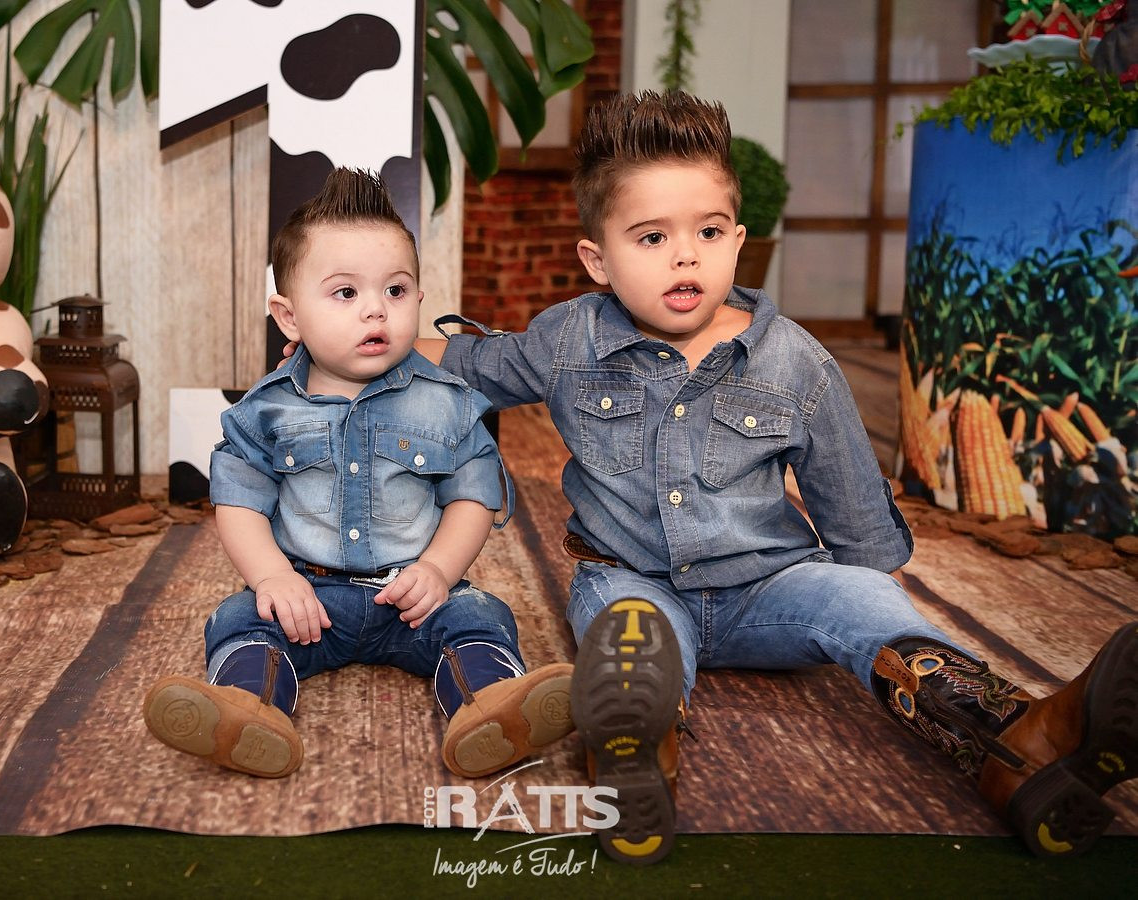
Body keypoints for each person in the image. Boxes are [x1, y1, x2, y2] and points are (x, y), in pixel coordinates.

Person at [412, 90, 1135, 865]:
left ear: (737, 241)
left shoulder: (792, 358)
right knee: (628, 638)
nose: (685, 256)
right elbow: (467, 364)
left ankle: (1017, 736)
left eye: (707, 232)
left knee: (865, 604)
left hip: (769, 589)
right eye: (651, 237)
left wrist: (869, 607)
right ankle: (634, 753)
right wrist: (354, 341)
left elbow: (852, 507)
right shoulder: (569, 340)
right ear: (598, 259)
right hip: (632, 579)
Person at [143, 168, 574, 783]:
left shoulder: (447, 403)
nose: (376, 308)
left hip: (412, 597)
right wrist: (271, 577)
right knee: (239, 620)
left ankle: (491, 708)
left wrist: (438, 570)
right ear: (289, 317)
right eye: (345, 293)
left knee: (481, 616)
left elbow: (473, 497)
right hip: (307, 597)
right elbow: (239, 500)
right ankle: (247, 710)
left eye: (396, 290)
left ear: (419, 300)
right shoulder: (266, 409)